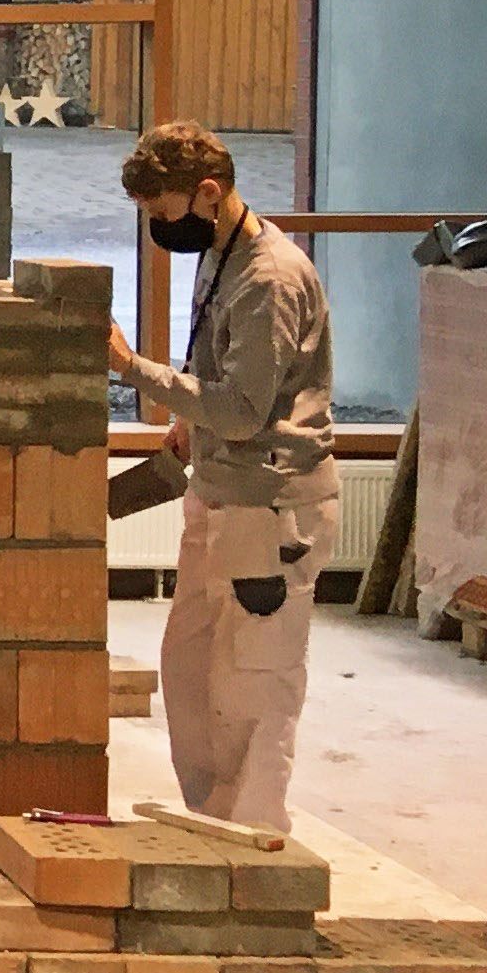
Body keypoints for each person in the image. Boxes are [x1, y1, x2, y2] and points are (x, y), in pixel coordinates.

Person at [107, 122, 334, 831]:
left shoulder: (268, 277)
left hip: (268, 512)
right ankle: (213, 826)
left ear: (208, 193)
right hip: (220, 495)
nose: (158, 229)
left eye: (162, 213)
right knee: (194, 672)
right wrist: (189, 422)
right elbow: (222, 379)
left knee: (252, 687)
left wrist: (131, 368)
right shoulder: (220, 254)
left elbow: (240, 410)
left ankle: (255, 838)